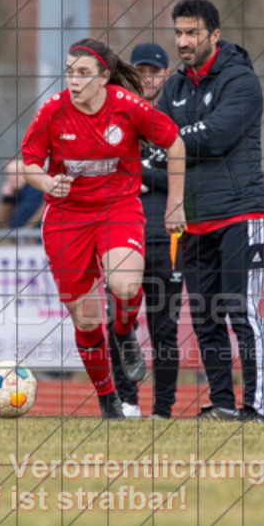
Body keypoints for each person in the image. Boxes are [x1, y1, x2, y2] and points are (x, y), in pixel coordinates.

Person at [19, 37, 187, 419]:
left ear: (104, 77)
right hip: (67, 219)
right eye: (69, 73)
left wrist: (175, 202)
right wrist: (45, 182)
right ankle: (108, 397)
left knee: (126, 285)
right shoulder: (52, 112)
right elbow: (29, 162)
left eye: (82, 74)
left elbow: (175, 143)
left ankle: (125, 333)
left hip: (118, 209)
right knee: (88, 319)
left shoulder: (127, 108)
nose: (73, 82)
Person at [157, 0, 264, 423]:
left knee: (242, 313)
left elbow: (217, 135)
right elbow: (155, 136)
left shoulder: (241, 81)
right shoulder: (175, 86)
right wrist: (169, 144)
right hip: (193, 220)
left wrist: (174, 141)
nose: (183, 42)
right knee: (205, 318)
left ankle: (254, 408)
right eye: (179, 33)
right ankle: (222, 403)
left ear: (214, 36)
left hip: (240, 214)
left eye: (192, 33)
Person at [105, 42, 180, 420]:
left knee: (165, 331)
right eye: (141, 70)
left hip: (166, 243)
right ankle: (127, 401)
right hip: (121, 238)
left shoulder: (177, 114)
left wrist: (144, 177)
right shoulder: (117, 115)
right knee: (120, 325)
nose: (147, 77)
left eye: (154, 70)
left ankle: (163, 410)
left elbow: (187, 174)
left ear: (165, 74)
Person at [0, 159, 44, 230]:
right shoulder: (17, 193)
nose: (13, 178)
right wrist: (7, 199)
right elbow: (0, 225)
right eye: (10, 174)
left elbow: (14, 226)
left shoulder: (34, 192)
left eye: (17, 173)